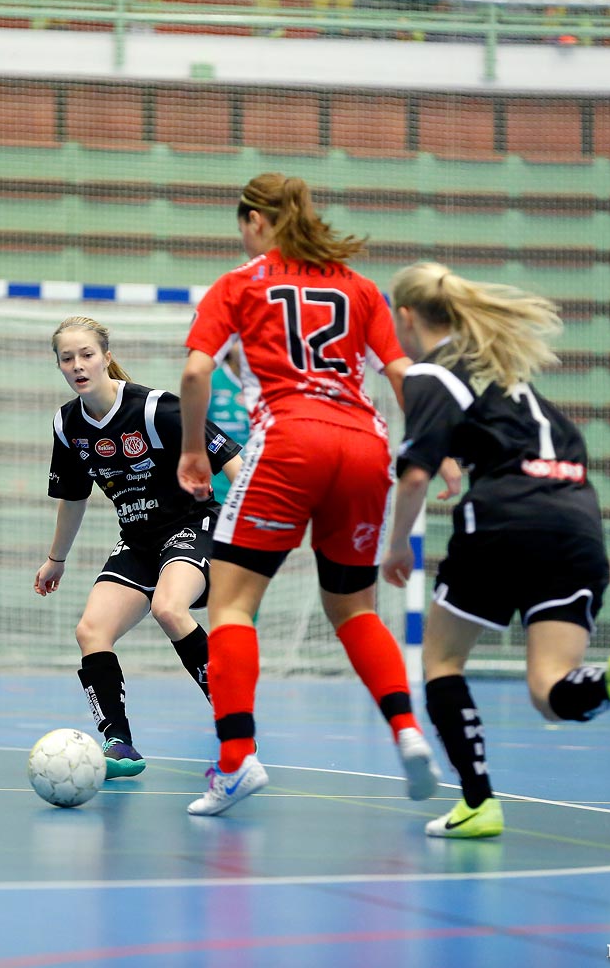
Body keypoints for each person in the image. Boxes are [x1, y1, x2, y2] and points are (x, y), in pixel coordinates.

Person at [175, 172, 458, 817]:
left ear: (253, 222)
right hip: (364, 445)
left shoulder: (240, 283)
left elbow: (196, 370)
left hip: (290, 440)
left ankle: (235, 760)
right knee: (355, 608)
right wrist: (441, 446)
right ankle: (408, 734)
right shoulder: (358, 288)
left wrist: (194, 450)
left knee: (232, 604)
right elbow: (404, 375)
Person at [380, 261, 610, 839]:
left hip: (504, 521)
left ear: (406, 316)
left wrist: (396, 549)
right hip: (578, 522)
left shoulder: (432, 373)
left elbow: (413, 477)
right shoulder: (506, 372)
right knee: (550, 691)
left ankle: (479, 803)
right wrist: (462, 462)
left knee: (441, 661)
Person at [35, 316, 244, 779]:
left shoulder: (154, 409)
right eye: (67, 358)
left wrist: (250, 527)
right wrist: (56, 559)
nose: (78, 365)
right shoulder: (68, 424)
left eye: (87, 354)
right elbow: (73, 498)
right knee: (91, 631)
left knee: (171, 609)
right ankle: (119, 744)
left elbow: (232, 459)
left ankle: (233, 718)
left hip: (194, 526)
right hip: (139, 539)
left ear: (106, 357)